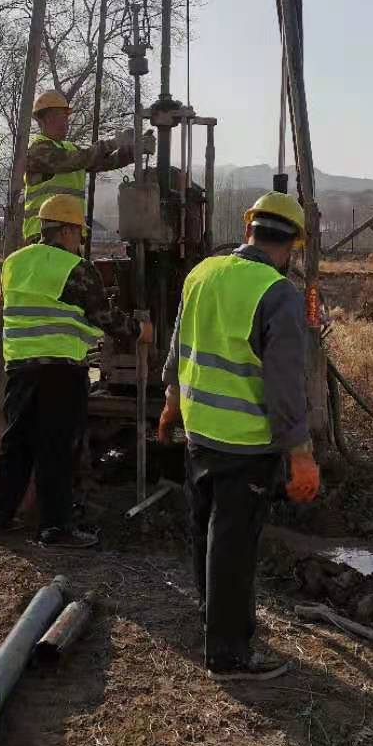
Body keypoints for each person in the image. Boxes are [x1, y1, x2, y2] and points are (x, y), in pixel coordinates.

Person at [157, 191, 320, 681]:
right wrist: (301, 453)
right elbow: (285, 385)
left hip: (200, 430)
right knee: (232, 544)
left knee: (206, 529)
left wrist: (170, 404)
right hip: (246, 443)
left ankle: (214, 618)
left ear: (249, 229)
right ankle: (227, 655)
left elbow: (178, 345)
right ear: (291, 245)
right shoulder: (279, 294)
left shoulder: (202, 273)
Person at [0, 193, 152, 549]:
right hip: (61, 370)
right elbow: (103, 317)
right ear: (69, 231)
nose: (80, 241)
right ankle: (55, 528)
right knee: (56, 448)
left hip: (21, 367)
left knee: (15, 444)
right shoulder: (75, 268)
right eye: (80, 234)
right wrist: (139, 331)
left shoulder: (14, 263)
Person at [23, 89, 154, 242]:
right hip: (44, 233)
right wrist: (113, 143)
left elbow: (105, 162)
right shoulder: (37, 150)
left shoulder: (70, 149)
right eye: (57, 116)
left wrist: (134, 151)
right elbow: (78, 159)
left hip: (70, 232)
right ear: (42, 120)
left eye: (65, 116)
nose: (64, 122)